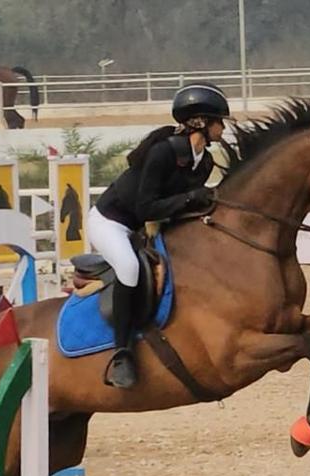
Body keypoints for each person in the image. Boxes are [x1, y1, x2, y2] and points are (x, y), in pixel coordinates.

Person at [90, 83, 228, 389]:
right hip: (110, 222)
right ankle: (122, 353)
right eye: (219, 121)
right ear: (201, 122)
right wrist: (194, 197)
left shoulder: (204, 162)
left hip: (141, 229)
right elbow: (147, 206)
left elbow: (177, 209)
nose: (223, 127)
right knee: (129, 268)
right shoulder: (163, 152)